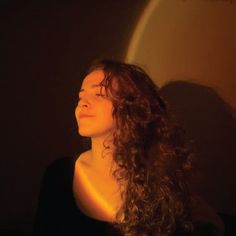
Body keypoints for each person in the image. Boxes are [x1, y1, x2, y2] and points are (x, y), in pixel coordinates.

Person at [33, 59, 224, 236]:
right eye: (80, 96)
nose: (83, 103)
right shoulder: (59, 175)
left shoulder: (159, 177)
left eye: (98, 94)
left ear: (131, 106)